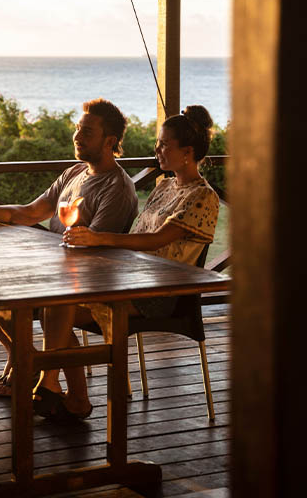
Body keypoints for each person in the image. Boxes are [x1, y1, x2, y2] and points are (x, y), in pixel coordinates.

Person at [33, 104, 220, 422]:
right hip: (130, 278)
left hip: (159, 294)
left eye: (164, 145)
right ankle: (67, 395)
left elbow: (155, 240)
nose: (157, 149)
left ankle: (53, 387)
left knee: (57, 304)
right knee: (51, 303)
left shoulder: (203, 197)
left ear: (187, 152)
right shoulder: (164, 187)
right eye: (158, 143)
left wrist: (99, 238)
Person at [0, 99, 138, 397]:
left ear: (110, 142)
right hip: (55, 272)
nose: (77, 136)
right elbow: (27, 214)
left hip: (90, 284)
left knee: (46, 306)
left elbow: (94, 248)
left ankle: (62, 389)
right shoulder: (74, 174)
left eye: (87, 132)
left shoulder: (116, 187)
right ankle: (22, 353)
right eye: (78, 129)